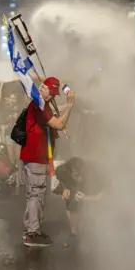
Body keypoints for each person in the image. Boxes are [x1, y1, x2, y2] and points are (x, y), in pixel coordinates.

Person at [20, 77, 75, 247]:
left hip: (34, 155)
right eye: (50, 93)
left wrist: (67, 103)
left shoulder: (42, 104)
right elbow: (58, 124)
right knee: (37, 193)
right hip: (36, 156)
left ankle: (30, 228)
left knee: (33, 193)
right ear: (42, 88)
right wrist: (70, 107)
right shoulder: (39, 105)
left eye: (53, 95)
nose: (51, 97)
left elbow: (55, 112)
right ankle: (33, 233)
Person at [54, 157, 104, 246]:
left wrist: (86, 198)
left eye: (82, 175)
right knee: (70, 200)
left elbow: (106, 197)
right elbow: (61, 180)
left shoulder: (93, 175)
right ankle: (74, 231)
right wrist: (64, 189)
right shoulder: (61, 171)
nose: (80, 178)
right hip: (74, 187)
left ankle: (91, 227)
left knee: (92, 208)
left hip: (97, 192)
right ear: (69, 172)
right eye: (76, 175)